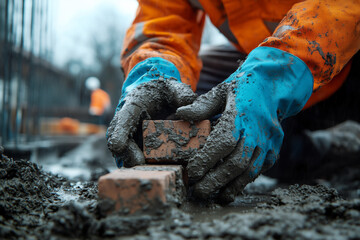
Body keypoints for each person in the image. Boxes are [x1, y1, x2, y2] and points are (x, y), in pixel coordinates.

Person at [106, 0, 360, 202]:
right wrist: (152, 75)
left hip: (346, 57)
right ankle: (322, 152)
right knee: (207, 120)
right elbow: (160, 24)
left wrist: (271, 75)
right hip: (269, 59)